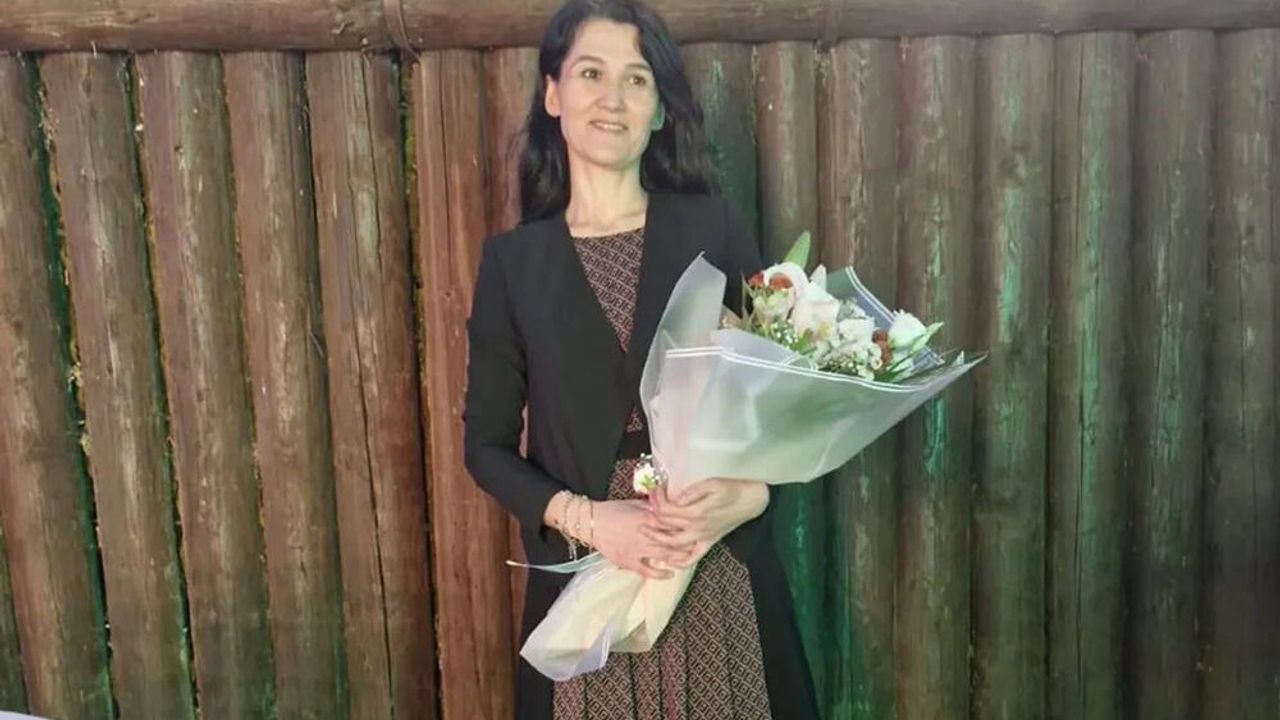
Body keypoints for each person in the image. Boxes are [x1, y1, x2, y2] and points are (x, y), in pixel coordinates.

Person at [463, 1, 821, 718]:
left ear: (658, 110)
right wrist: (593, 522)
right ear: (553, 94)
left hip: (717, 563)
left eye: (636, 79)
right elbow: (487, 448)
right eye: (591, 74)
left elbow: (782, 393)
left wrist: (751, 497)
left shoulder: (712, 225)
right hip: (590, 583)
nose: (613, 98)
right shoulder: (513, 265)